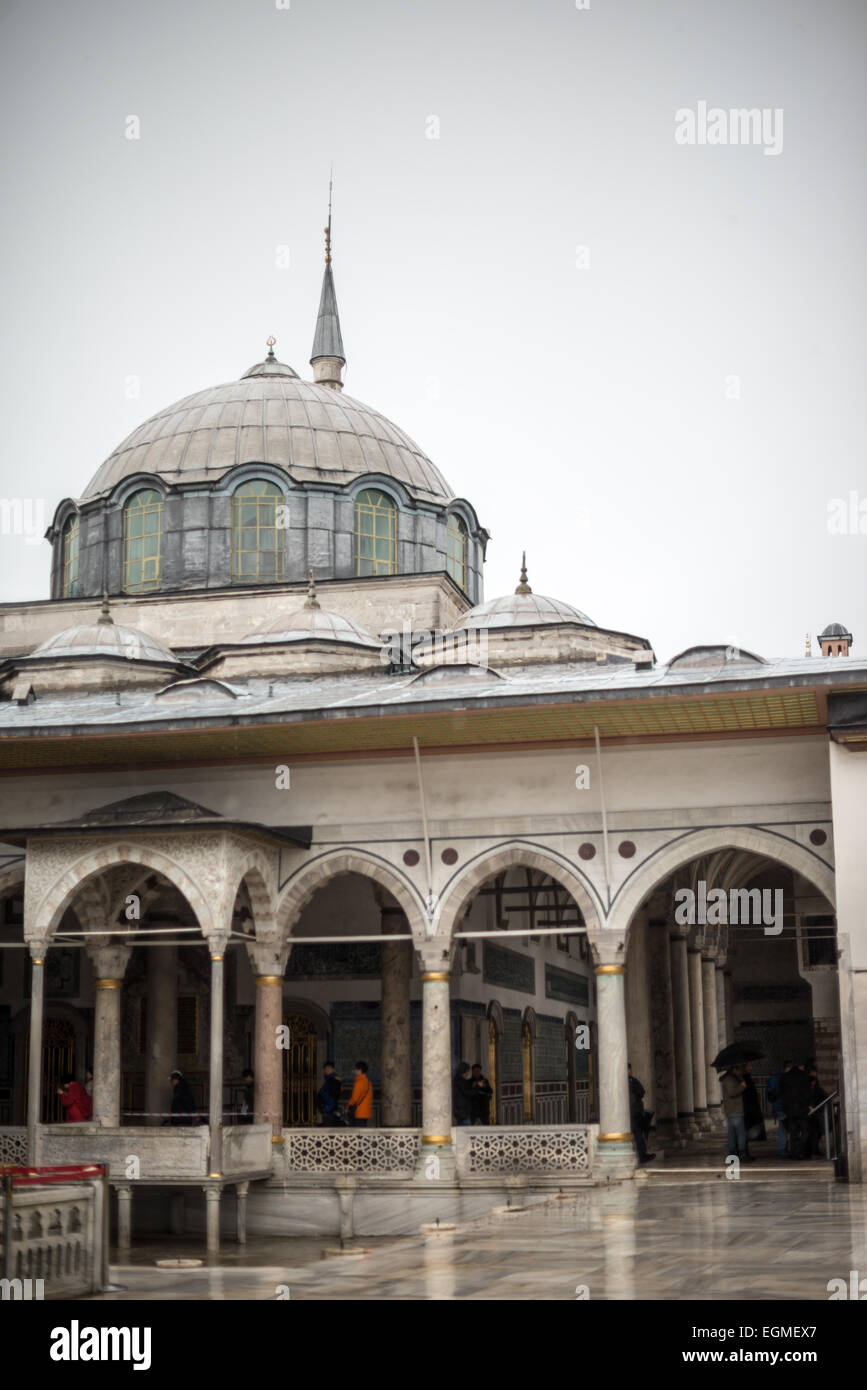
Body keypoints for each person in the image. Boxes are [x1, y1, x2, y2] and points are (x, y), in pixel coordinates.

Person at [779, 1062, 812, 1159]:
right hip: (802, 1108)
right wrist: (809, 1104)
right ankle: (800, 1151)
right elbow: (807, 1093)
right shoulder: (804, 1077)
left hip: (790, 1110)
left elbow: (782, 1093)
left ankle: (793, 1152)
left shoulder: (785, 1077)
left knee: (793, 1131)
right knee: (806, 1130)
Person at [720, 1064, 752, 1161]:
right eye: (739, 1070)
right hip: (735, 1110)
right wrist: (742, 1086)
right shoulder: (729, 1079)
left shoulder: (732, 1078)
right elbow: (732, 1092)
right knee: (740, 1133)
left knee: (733, 1133)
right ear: (734, 1069)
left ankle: (733, 1153)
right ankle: (741, 1153)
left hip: (734, 1109)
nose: (741, 1072)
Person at [628, 1062, 655, 1164]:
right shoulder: (629, 1081)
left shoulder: (632, 1081)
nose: (631, 1071)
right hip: (631, 1113)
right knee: (638, 1134)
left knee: (639, 1133)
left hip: (635, 1112)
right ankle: (642, 1155)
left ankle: (642, 1154)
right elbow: (640, 1092)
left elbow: (641, 1092)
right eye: (629, 1069)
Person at [766, 1060, 793, 1158]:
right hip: (782, 1105)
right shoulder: (784, 1078)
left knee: (783, 1128)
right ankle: (782, 1149)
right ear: (788, 1068)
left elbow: (771, 1092)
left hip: (778, 1105)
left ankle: (783, 1149)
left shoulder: (776, 1077)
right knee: (784, 1128)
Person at [742, 1061, 766, 1151]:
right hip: (747, 1110)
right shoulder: (743, 1079)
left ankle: (745, 1151)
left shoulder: (747, 1079)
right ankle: (743, 1151)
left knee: (747, 1132)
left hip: (750, 1109)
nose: (751, 1068)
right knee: (745, 1132)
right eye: (749, 1066)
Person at [806, 1065, 827, 1158]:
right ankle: (813, 1150)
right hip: (813, 1109)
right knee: (814, 1131)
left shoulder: (811, 1082)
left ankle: (812, 1150)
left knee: (814, 1131)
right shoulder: (811, 1082)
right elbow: (814, 1094)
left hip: (814, 1109)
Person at [346, 1061, 373, 1127]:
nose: (354, 1071)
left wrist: (347, 1107)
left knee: (358, 1132)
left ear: (360, 1070)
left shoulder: (359, 1082)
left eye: (355, 1069)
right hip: (366, 1111)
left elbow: (354, 1098)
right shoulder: (368, 1082)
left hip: (359, 1112)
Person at [318, 1060, 343, 1125]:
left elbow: (333, 1095)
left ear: (332, 1069)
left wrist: (326, 1106)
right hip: (328, 1107)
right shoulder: (329, 1079)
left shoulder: (334, 1080)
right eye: (325, 1069)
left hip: (329, 1108)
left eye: (328, 1068)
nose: (326, 1071)